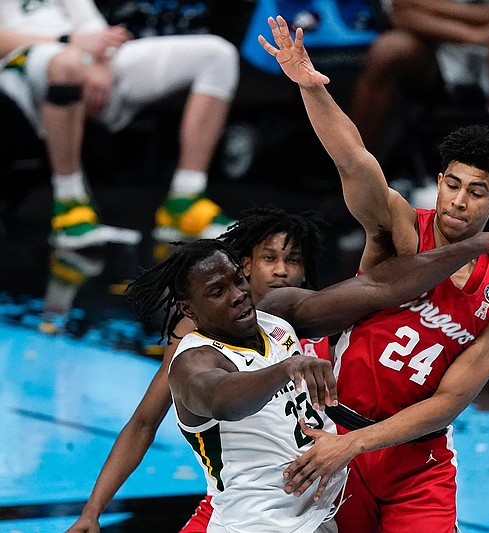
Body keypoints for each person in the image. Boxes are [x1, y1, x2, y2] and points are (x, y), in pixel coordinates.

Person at [258, 16, 489, 532]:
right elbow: (355, 161)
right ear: (439, 183)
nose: (458, 202)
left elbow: (448, 402)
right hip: (330, 432)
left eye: (477, 191)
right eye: (452, 184)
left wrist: (352, 445)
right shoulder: (400, 227)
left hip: (414, 461)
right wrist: (312, 88)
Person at [124, 219, 489, 531]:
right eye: (219, 292)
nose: (240, 296)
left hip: (324, 508)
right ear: (188, 310)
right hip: (256, 522)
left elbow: (382, 287)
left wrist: (475, 245)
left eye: (239, 281)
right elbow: (221, 398)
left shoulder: (276, 320)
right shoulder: (191, 361)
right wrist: (287, 368)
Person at [65, 206, 332, 533]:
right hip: (241, 500)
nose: (281, 271)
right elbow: (144, 423)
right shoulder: (197, 338)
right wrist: (93, 510)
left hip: (324, 478)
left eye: (293, 260)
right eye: (269, 259)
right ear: (246, 264)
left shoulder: (310, 314)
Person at [0, 0, 239, 249]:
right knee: (67, 65)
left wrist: (101, 61)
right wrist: (67, 42)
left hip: (85, 53)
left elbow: (91, 22)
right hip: (22, 62)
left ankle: (184, 200)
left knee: (218, 54)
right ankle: (69, 205)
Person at [348, 0, 489, 190]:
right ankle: (357, 173)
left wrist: (429, 6)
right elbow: (401, 13)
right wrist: (475, 35)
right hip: (446, 42)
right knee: (388, 50)